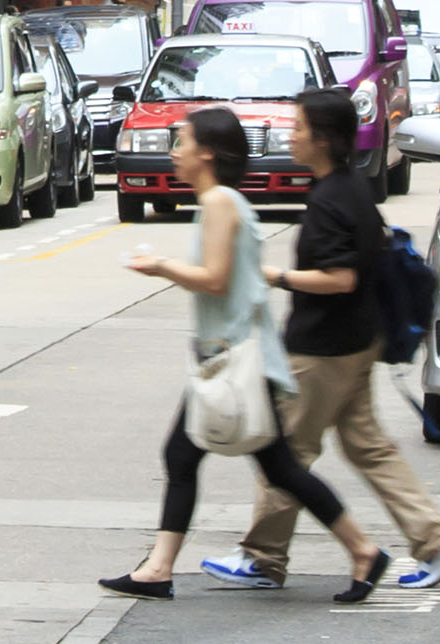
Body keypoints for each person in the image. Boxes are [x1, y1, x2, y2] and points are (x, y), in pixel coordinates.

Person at [100, 106, 389, 605]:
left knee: (232, 462)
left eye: (182, 141)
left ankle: (160, 569)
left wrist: (162, 266)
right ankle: (160, 568)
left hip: (238, 362)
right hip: (233, 359)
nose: (175, 151)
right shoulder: (222, 201)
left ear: (206, 152)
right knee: (261, 467)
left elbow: (215, 278)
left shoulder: (221, 204)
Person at [202, 88, 440, 595]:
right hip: (358, 341)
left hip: (322, 349)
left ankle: (262, 557)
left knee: (287, 452)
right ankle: (436, 542)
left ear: (322, 139)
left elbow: (340, 278)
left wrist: (276, 275)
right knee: (369, 447)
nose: (291, 135)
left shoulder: (329, 202)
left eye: (298, 128)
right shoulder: (354, 189)